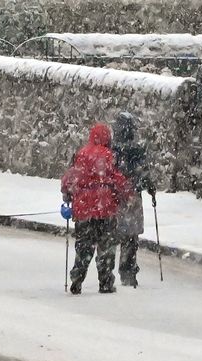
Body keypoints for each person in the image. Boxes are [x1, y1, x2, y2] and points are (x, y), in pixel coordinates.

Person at [61, 123, 132, 295]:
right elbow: (116, 178)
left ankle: (77, 278)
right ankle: (106, 281)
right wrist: (126, 192)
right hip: (105, 208)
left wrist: (67, 192)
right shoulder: (109, 156)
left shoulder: (81, 154)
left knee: (84, 246)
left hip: (84, 209)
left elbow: (71, 177)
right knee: (106, 248)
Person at [111, 112, 156, 287]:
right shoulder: (137, 151)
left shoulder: (112, 150)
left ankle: (110, 270)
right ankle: (128, 269)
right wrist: (150, 187)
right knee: (131, 236)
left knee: (116, 233)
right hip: (133, 197)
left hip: (116, 197)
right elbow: (143, 174)